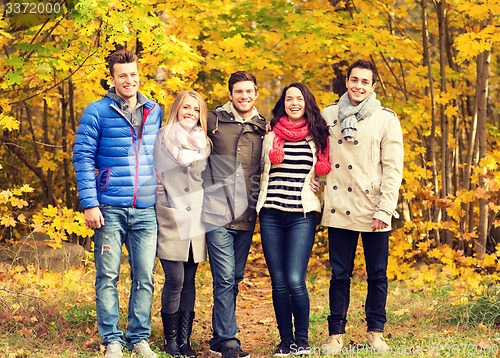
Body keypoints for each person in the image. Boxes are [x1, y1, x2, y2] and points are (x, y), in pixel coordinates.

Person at [72, 50, 161, 358]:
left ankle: (139, 338)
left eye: (133, 74)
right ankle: (112, 339)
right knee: (108, 275)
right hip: (109, 208)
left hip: (146, 210)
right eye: (122, 75)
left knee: (145, 276)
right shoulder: (97, 111)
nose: (129, 80)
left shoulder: (155, 110)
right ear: (112, 78)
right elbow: (82, 158)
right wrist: (90, 203)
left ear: (139, 75)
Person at [320, 60, 404, 354]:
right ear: (347, 81)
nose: (358, 86)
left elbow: (393, 169)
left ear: (373, 86)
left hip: (373, 207)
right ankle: (335, 335)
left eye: (364, 82)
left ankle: (375, 331)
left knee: (377, 273)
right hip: (340, 205)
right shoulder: (329, 114)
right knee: (339, 274)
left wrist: (385, 209)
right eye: (354, 80)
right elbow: (307, 141)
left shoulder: (385, 119)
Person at [256, 83, 331, 357]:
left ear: (306, 102)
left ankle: (302, 339)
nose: (294, 102)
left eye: (299, 98)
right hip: (271, 214)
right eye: (289, 98)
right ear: (283, 103)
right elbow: (259, 169)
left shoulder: (317, 136)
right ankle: (285, 341)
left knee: (295, 279)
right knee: (278, 281)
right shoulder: (270, 134)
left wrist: (320, 183)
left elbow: (327, 169)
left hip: (302, 215)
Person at [202, 71, 267, 358]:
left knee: (234, 276)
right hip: (216, 212)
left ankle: (218, 337)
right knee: (226, 277)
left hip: (246, 212)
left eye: (248, 91)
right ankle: (229, 340)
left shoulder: (263, 126)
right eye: (238, 91)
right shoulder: (213, 120)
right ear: (230, 94)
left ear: (256, 93)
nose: (244, 96)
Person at [154, 90, 211, 358]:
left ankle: (185, 341)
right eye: (186, 107)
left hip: (196, 219)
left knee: (189, 280)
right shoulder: (163, 139)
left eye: (196, 109)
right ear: (177, 108)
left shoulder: (204, 143)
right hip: (170, 216)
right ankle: (170, 340)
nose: (191, 113)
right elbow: (154, 174)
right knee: (174, 278)